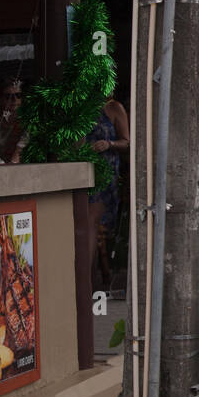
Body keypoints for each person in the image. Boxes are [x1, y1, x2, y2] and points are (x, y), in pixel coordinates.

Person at [86, 96, 130, 291]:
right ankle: (96, 274)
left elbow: (126, 142)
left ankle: (100, 273)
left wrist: (109, 144)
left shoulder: (114, 108)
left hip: (105, 171)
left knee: (99, 226)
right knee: (90, 225)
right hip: (83, 170)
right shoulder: (83, 107)